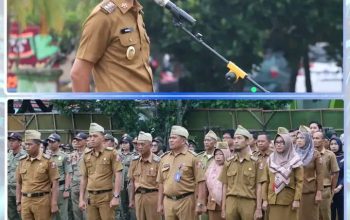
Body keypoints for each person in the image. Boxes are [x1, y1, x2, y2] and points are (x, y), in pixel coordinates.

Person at [70, 0, 153, 92]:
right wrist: (86, 106)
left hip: (145, 104)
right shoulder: (103, 16)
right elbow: (78, 74)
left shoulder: (135, 11)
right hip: (118, 106)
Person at [157, 125, 207, 220]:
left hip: (187, 201)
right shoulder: (164, 158)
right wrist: (160, 203)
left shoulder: (193, 158)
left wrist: (200, 202)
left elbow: (201, 182)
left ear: (184, 141)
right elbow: (160, 183)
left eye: (174, 138)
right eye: (170, 138)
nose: (170, 140)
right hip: (168, 201)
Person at [79, 123, 123, 220]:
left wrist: (116, 196)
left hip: (106, 197)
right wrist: (81, 198)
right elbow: (84, 177)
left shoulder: (111, 153)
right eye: (90, 136)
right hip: (91, 197)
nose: (92, 139)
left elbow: (118, 175)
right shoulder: (86, 155)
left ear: (103, 138)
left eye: (95, 136)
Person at [218, 125, 263, 220]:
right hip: (231, 202)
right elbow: (224, 186)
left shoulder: (256, 162)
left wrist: (258, 208)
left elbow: (259, 186)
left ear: (247, 141)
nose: (236, 141)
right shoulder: (229, 162)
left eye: (239, 138)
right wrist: (223, 208)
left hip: (249, 202)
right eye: (234, 138)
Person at [16, 130, 59, 220]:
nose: (27, 147)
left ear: (38, 144)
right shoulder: (22, 161)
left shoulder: (48, 161)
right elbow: (19, 183)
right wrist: (18, 202)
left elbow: (55, 183)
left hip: (42, 201)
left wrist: (54, 203)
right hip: (25, 201)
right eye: (26, 144)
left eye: (30, 144)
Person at [261, 134, 304, 220]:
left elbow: (299, 182)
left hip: (288, 201)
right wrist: (265, 200)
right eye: (277, 142)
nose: (279, 144)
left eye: (282, 142)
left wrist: (296, 200)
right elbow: (265, 181)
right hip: (273, 200)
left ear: (288, 144)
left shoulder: (295, 161)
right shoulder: (270, 160)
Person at [128, 131, 162, 220]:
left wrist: (161, 202)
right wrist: (131, 199)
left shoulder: (158, 162)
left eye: (142, 144)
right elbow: (132, 182)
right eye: (138, 144)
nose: (139, 147)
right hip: (138, 196)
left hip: (153, 197)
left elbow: (162, 184)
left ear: (150, 145)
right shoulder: (134, 161)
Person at [295, 126, 323, 220]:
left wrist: (319, 192)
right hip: (294, 191)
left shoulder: (315, 154)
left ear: (307, 139)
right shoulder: (293, 154)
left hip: (309, 191)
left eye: (302, 138)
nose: (299, 140)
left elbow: (320, 174)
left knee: (310, 216)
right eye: (297, 138)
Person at [313, 131, 339, 220]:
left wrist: (332, 189)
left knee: (325, 215)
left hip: (325, 189)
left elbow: (335, 172)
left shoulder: (330, 155)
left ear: (323, 140)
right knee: (313, 215)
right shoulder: (309, 154)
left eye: (317, 138)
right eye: (313, 138)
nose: (314, 140)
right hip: (311, 189)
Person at [47, 133, 73, 220]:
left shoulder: (64, 156)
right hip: (47, 189)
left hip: (60, 188)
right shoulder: (45, 157)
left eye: (52, 142)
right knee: (49, 213)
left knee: (62, 214)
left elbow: (68, 173)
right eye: (49, 141)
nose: (50, 143)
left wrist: (66, 189)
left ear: (58, 143)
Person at [205, 144, 230, 220]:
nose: (218, 157)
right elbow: (205, 188)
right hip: (213, 204)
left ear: (226, 154)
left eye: (221, 154)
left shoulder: (230, 167)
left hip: (228, 204)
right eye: (216, 154)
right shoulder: (210, 168)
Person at [8, 133, 26, 220]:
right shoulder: (8, 155)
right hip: (9, 191)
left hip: (21, 191)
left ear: (19, 142)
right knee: (11, 215)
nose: (10, 143)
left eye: (13, 140)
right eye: (9, 140)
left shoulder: (25, 156)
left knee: (22, 215)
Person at [70, 132, 89, 220]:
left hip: (86, 184)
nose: (77, 142)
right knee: (76, 210)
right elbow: (70, 171)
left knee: (86, 209)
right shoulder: (72, 155)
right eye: (76, 140)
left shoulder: (89, 154)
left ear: (85, 141)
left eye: (79, 140)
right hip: (74, 184)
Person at [119, 135, 137, 220]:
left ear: (130, 144)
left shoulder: (135, 154)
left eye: (126, 143)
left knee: (132, 203)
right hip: (120, 182)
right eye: (122, 143)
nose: (124, 145)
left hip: (130, 182)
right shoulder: (117, 154)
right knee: (122, 204)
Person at [329, 137, 344, 220]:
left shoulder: (345, 157)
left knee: (341, 212)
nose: (333, 146)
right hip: (329, 189)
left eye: (335, 144)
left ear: (340, 145)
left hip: (341, 189)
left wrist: (340, 186)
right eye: (331, 144)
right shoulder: (328, 156)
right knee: (331, 212)